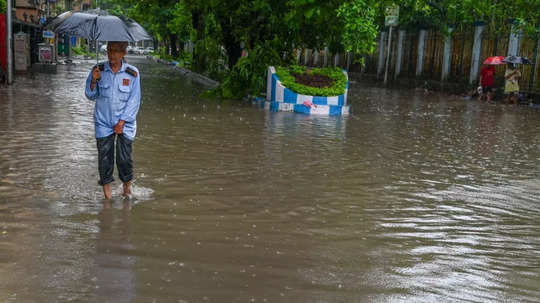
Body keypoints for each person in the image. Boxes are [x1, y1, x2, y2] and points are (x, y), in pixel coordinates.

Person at [85, 41, 141, 200]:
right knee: (104, 159)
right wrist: (94, 80)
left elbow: (134, 101)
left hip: (126, 123)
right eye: (109, 51)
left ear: (124, 53)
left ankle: (126, 188)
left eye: (116, 51)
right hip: (103, 122)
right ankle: (107, 198)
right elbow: (90, 95)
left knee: (124, 159)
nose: (111, 55)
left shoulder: (132, 73)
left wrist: (122, 122)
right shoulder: (98, 70)